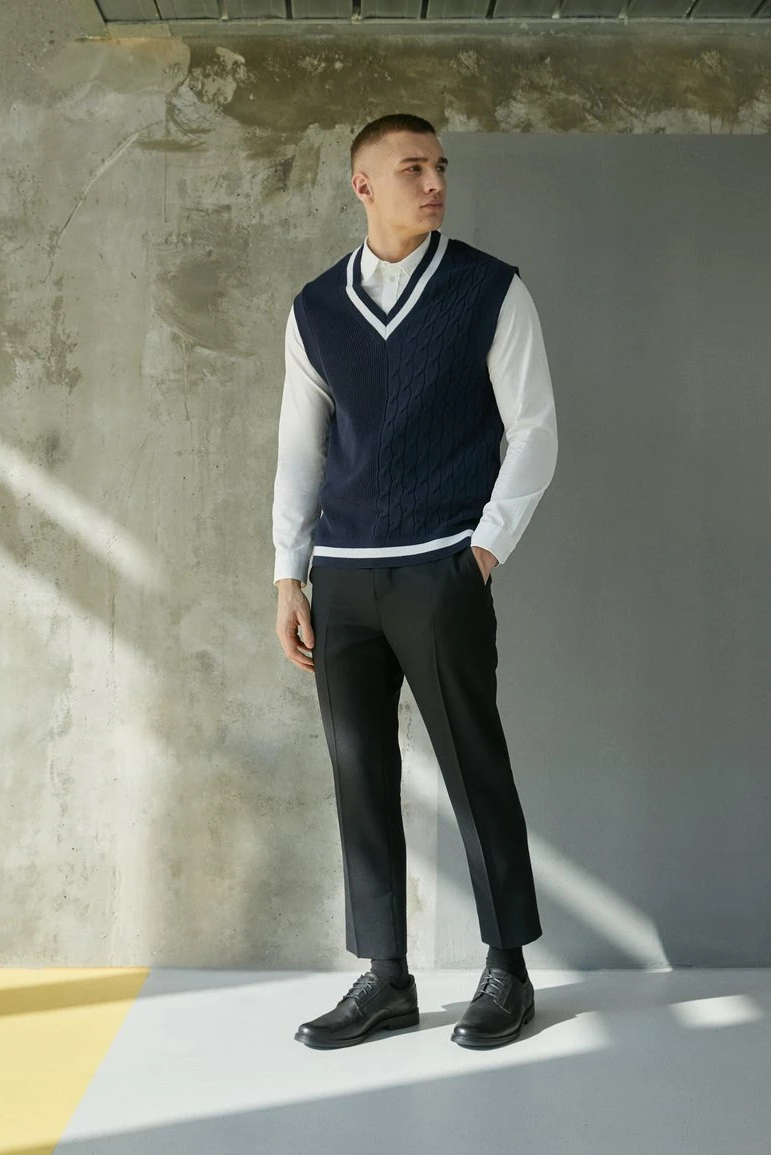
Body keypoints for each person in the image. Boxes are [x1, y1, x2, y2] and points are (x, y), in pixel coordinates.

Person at [272, 112, 558, 1050]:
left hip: (442, 567)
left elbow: (535, 431)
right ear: (364, 184)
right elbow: (300, 450)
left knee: (475, 767)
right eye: (412, 168)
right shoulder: (316, 308)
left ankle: (508, 968)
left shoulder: (489, 289)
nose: (434, 182)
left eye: (439, 166)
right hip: (343, 578)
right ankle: (386, 977)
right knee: (359, 773)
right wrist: (288, 574)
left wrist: (483, 550)